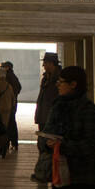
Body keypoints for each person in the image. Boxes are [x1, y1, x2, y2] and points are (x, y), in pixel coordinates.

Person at [32, 52, 61, 181]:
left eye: (45, 63)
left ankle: (51, 173)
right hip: (43, 117)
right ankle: (43, 171)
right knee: (42, 145)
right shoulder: (46, 78)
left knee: (50, 147)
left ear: (51, 64)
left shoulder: (59, 79)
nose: (43, 65)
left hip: (53, 118)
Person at [0, 66, 16, 160]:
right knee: (5, 129)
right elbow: (13, 98)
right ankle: (4, 148)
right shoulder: (9, 85)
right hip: (8, 110)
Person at [1, 61, 21, 153]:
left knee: (9, 123)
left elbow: (17, 88)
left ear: (7, 68)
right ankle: (12, 142)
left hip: (8, 104)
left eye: (3, 66)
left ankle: (10, 142)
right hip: (11, 103)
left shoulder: (8, 77)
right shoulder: (12, 76)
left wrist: (10, 96)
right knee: (11, 123)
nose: (1, 68)